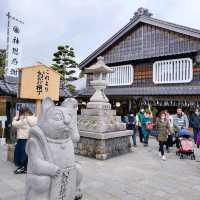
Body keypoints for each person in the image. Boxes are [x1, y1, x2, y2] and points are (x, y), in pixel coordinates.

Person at [12, 107, 37, 174]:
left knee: (21, 153)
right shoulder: (34, 118)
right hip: (30, 138)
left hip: (23, 138)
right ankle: (26, 167)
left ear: (24, 112)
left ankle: (22, 167)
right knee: (26, 153)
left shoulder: (25, 119)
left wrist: (15, 118)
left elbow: (14, 124)